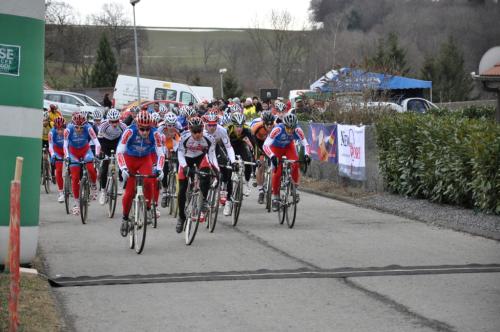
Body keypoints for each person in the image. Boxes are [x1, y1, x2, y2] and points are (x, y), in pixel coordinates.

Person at [117, 111, 165, 236]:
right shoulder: (129, 131)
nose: (144, 132)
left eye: (147, 129)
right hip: (130, 159)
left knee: (150, 182)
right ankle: (125, 218)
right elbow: (120, 151)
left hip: (145, 159)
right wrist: (123, 168)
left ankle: (148, 208)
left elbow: (161, 154)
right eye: (142, 129)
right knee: (129, 192)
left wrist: (160, 169)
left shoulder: (155, 134)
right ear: (137, 125)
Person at [176, 117, 219, 233]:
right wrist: (184, 167)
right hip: (186, 158)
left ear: (202, 129)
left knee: (206, 176)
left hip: (200, 157)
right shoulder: (184, 137)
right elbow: (179, 153)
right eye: (194, 132)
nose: (197, 134)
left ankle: (203, 199)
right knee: (182, 190)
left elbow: (211, 156)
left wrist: (217, 170)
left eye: (199, 131)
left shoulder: (209, 138)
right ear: (190, 130)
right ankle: (181, 217)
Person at [263, 113, 311, 212]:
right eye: (288, 128)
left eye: (292, 128)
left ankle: (294, 188)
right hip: (276, 148)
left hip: (289, 147)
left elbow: (305, 143)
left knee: (295, 163)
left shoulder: (298, 130)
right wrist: (272, 156)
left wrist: (307, 155)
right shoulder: (277, 129)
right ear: (284, 125)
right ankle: (275, 197)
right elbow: (265, 145)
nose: (290, 131)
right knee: (277, 172)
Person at [64, 112, 101, 215]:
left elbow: (97, 143)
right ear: (73, 125)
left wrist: (97, 155)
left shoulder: (88, 128)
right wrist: (67, 156)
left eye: (81, 127)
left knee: (90, 167)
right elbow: (65, 144)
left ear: (84, 125)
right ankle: (76, 203)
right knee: (75, 177)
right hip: (73, 153)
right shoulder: (68, 129)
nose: (79, 129)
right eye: (77, 127)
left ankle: (93, 185)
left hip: (85, 151)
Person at [203, 110, 236, 215]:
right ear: (206, 124)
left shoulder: (221, 130)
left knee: (226, 167)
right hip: (202, 149)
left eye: (214, 125)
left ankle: (227, 199)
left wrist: (233, 161)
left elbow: (229, 147)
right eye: (210, 125)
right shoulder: (201, 131)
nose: (212, 127)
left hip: (215, 148)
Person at [97, 109, 127, 205]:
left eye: (116, 121)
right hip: (105, 143)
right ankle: (103, 191)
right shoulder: (103, 125)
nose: (114, 124)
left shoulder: (123, 126)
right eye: (112, 122)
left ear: (119, 120)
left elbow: (126, 141)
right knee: (105, 167)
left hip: (117, 142)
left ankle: (119, 184)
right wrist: (101, 152)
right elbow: (99, 140)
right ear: (108, 120)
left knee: (121, 164)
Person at [226, 112, 255, 204]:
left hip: (241, 146)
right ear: (233, 125)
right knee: (229, 168)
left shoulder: (247, 130)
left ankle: (246, 183)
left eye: (241, 126)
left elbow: (253, 145)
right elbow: (223, 144)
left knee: (248, 162)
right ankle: (228, 196)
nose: (239, 128)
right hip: (230, 147)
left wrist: (254, 158)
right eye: (237, 126)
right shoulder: (228, 129)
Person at [251, 111, 276, 204]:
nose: (270, 126)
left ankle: (273, 188)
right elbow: (252, 138)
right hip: (259, 144)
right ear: (263, 123)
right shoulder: (257, 126)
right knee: (260, 166)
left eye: (271, 124)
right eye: (267, 124)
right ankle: (261, 190)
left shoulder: (275, 127)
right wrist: (257, 150)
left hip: (271, 144)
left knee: (275, 166)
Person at [159, 112, 181, 208]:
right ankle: (164, 191)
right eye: (169, 125)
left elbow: (181, 139)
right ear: (165, 123)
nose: (171, 127)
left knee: (179, 159)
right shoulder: (160, 128)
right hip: (163, 144)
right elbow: (158, 143)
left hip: (174, 142)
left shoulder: (178, 125)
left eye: (173, 125)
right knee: (165, 168)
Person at [48, 117, 66, 203]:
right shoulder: (51, 133)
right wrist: (52, 155)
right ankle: (61, 192)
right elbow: (50, 145)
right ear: (55, 128)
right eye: (58, 129)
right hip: (57, 150)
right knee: (58, 171)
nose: (60, 131)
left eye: (62, 129)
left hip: (67, 149)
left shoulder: (68, 131)